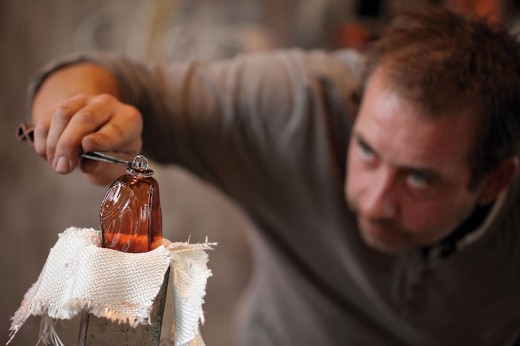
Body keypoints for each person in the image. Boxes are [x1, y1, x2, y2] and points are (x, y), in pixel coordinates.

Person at [26, 7, 520, 345]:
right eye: (366, 151)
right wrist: (77, 115)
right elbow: (99, 76)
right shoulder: (297, 106)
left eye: (419, 180)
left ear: (495, 181)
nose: (373, 202)